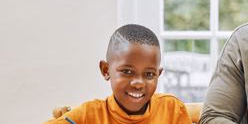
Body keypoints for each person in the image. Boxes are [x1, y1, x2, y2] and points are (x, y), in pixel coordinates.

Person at [44, 24, 192, 124]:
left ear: (158, 75)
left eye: (149, 74)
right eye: (127, 71)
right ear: (106, 70)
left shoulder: (172, 110)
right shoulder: (88, 115)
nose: (138, 83)